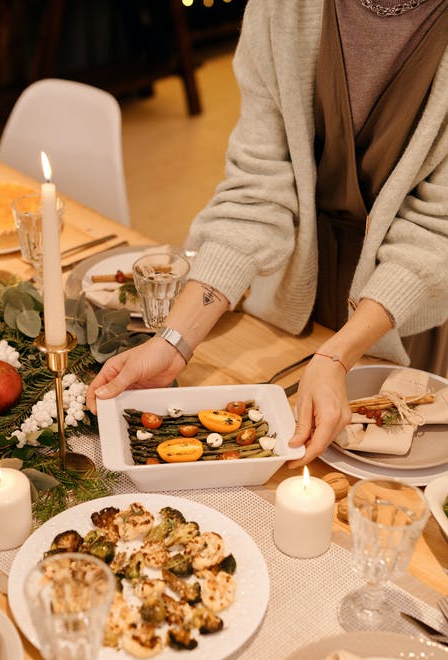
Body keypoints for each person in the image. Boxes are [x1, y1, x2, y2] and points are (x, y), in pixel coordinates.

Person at [87, 0, 448, 467]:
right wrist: (173, 342)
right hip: (295, 293)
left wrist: (338, 356)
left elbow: (435, 227)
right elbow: (256, 189)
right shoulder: (281, 8)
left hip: (403, 312)